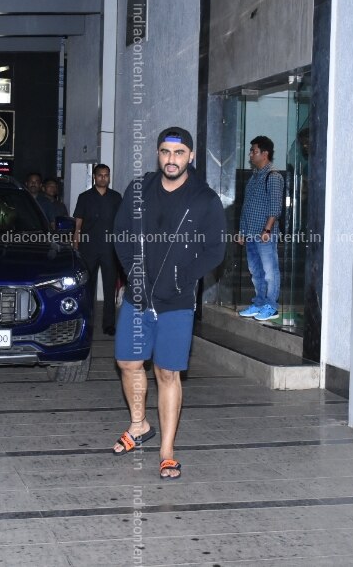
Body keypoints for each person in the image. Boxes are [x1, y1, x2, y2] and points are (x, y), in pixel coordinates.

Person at [111, 127, 226, 480]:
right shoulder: (138, 190)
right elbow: (121, 234)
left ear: (190, 156)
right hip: (139, 297)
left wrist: (181, 277)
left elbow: (216, 250)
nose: (171, 159)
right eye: (165, 152)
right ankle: (139, 425)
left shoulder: (204, 199)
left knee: (167, 372)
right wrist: (134, 273)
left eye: (178, 153)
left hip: (176, 302)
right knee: (128, 362)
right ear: (158, 155)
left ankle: (166, 451)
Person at [237, 135, 284, 322]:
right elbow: (246, 207)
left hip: (264, 234)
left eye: (253, 151)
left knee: (270, 271)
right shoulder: (254, 177)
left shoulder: (273, 177)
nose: (250, 155)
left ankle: (271, 307)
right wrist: (242, 232)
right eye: (251, 151)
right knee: (256, 271)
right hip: (250, 233)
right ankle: (259, 303)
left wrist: (267, 230)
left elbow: (275, 207)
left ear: (264, 154)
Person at [73, 164, 123, 335]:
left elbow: (121, 223)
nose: (103, 178)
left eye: (106, 175)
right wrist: (75, 244)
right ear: (94, 177)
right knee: (87, 288)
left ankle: (108, 324)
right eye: (100, 175)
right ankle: (87, 324)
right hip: (89, 248)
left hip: (110, 248)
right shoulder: (85, 197)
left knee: (110, 288)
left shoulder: (116, 197)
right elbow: (78, 223)